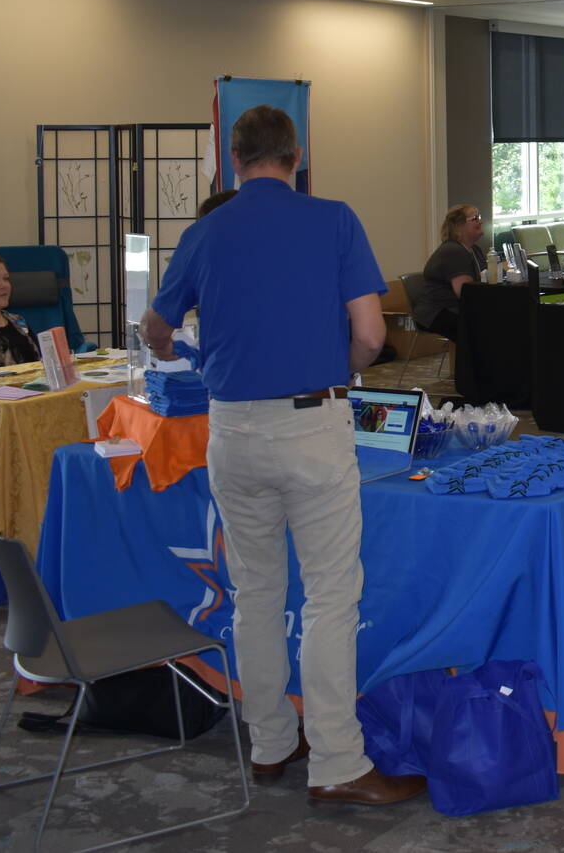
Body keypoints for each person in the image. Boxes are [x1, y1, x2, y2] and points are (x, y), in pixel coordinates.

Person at [140, 106, 420, 806]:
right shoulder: (334, 219)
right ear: (298, 154)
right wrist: (346, 370)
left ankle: (268, 740)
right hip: (311, 420)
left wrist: (175, 350)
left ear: (232, 160)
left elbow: (154, 326)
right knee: (329, 594)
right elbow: (370, 331)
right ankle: (336, 758)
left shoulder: (204, 231)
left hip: (230, 429)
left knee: (255, 590)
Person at [412, 204, 487, 340]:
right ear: (459, 225)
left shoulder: (474, 250)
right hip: (436, 312)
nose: (480, 221)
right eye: (475, 218)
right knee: (483, 328)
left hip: (453, 308)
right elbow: (466, 293)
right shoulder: (453, 251)